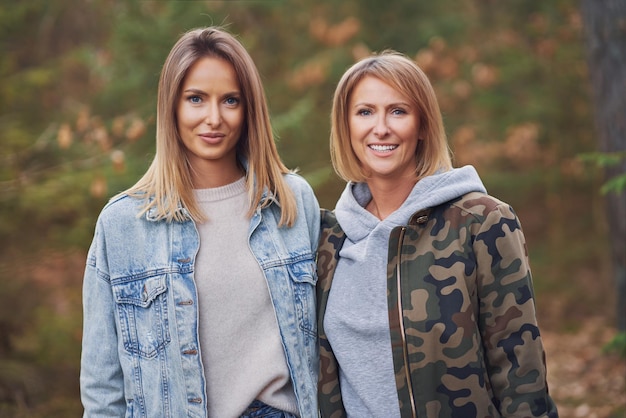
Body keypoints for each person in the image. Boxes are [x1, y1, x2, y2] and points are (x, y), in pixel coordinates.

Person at [80, 27, 320, 418]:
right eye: (196, 99)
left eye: (230, 100)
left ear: (249, 110)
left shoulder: (291, 203)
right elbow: (103, 390)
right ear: (171, 107)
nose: (214, 118)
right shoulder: (122, 225)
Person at [316, 50, 558, 418]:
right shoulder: (327, 240)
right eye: (365, 112)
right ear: (346, 126)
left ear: (423, 125)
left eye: (398, 111)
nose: (381, 127)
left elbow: (521, 376)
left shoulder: (482, 222)